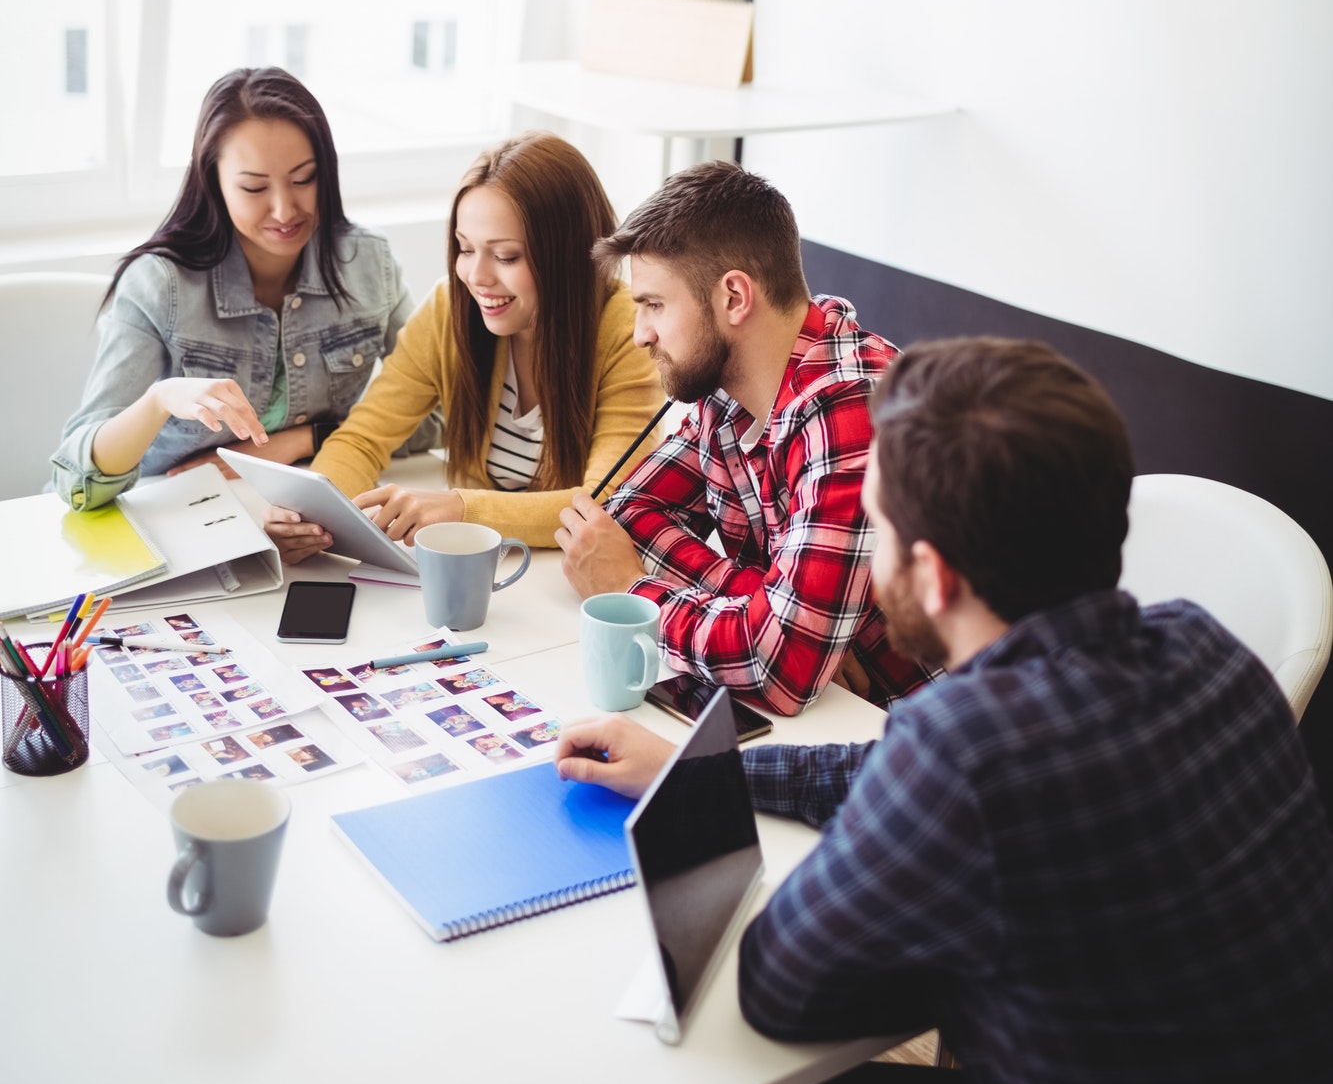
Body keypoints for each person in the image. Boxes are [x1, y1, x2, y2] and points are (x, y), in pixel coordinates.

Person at [555, 337, 1333, 1084]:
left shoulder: (966, 749)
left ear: (931, 575)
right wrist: (699, 774)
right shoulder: (1205, 649)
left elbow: (782, 990)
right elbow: (910, 774)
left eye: (871, 528)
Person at [555, 161, 923, 714]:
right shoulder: (724, 391)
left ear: (733, 298)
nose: (640, 335)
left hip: (920, 736)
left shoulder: (849, 411)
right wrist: (761, 603)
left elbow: (779, 671)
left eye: (654, 304)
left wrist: (633, 590)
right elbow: (627, 517)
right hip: (840, 719)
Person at [268, 132, 664, 560]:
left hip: (565, 579)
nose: (475, 276)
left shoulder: (629, 330)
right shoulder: (449, 308)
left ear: (568, 256)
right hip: (474, 567)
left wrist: (460, 507)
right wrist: (310, 513)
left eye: (507, 256)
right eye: (464, 248)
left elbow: (604, 506)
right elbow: (362, 439)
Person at [52, 68, 433, 511]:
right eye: (254, 187)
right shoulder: (159, 285)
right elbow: (75, 477)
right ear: (213, 179)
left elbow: (444, 414)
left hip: (292, 502)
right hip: (165, 514)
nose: (284, 209)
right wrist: (160, 400)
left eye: (304, 178)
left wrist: (294, 443)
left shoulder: (368, 263)